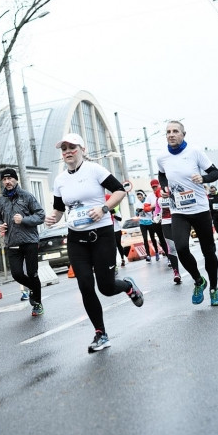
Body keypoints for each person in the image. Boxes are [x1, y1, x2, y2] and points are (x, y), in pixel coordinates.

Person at [45, 133, 143, 352]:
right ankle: (100, 333)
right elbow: (60, 209)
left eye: (72, 147)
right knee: (86, 286)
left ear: (82, 149)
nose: (68, 152)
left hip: (102, 236)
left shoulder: (95, 170)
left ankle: (127, 286)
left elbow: (119, 190)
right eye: (64, 149)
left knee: (106, 287)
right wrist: (53, 218)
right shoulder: (60, 180)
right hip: (76, 239)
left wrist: (104, 208)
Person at [157, 120, 218, 306]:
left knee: (208, 252)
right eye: (168, 132)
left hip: (200, 209)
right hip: (179, 211)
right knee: (182, 248)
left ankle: (214, 289)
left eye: (175, 131)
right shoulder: (162, 157)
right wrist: (164, 187)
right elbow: (162, 175)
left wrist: (203, 178)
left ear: (183, 134)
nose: (171, 134)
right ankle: (198, 281)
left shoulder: (194, 153)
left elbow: (216, 173)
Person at [0, 168, 47, 316]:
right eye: (4, 179)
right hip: (12, 242)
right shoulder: (0, 201)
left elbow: (41, 215)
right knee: (17, 274)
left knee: (32, 273)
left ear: (15, 179)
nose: (7, 182)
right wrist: (0, 225)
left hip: (29, 241)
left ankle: (37, 303)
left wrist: (24, 220)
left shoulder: (27, 196)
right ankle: (33, 289)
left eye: (10, 178)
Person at [136, 189, 159, 262]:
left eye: (140, 197)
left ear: (143, 196)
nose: (139, 199)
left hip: (150, 222)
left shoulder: (147, 201)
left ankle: (157, 252)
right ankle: (148, 255)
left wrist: (144, 210)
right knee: (145, 239)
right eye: (138, 197)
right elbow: (136, 214)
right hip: (142, 223)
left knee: (152, 238)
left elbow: (151, 211)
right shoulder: (137, 203)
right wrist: (137, 211)